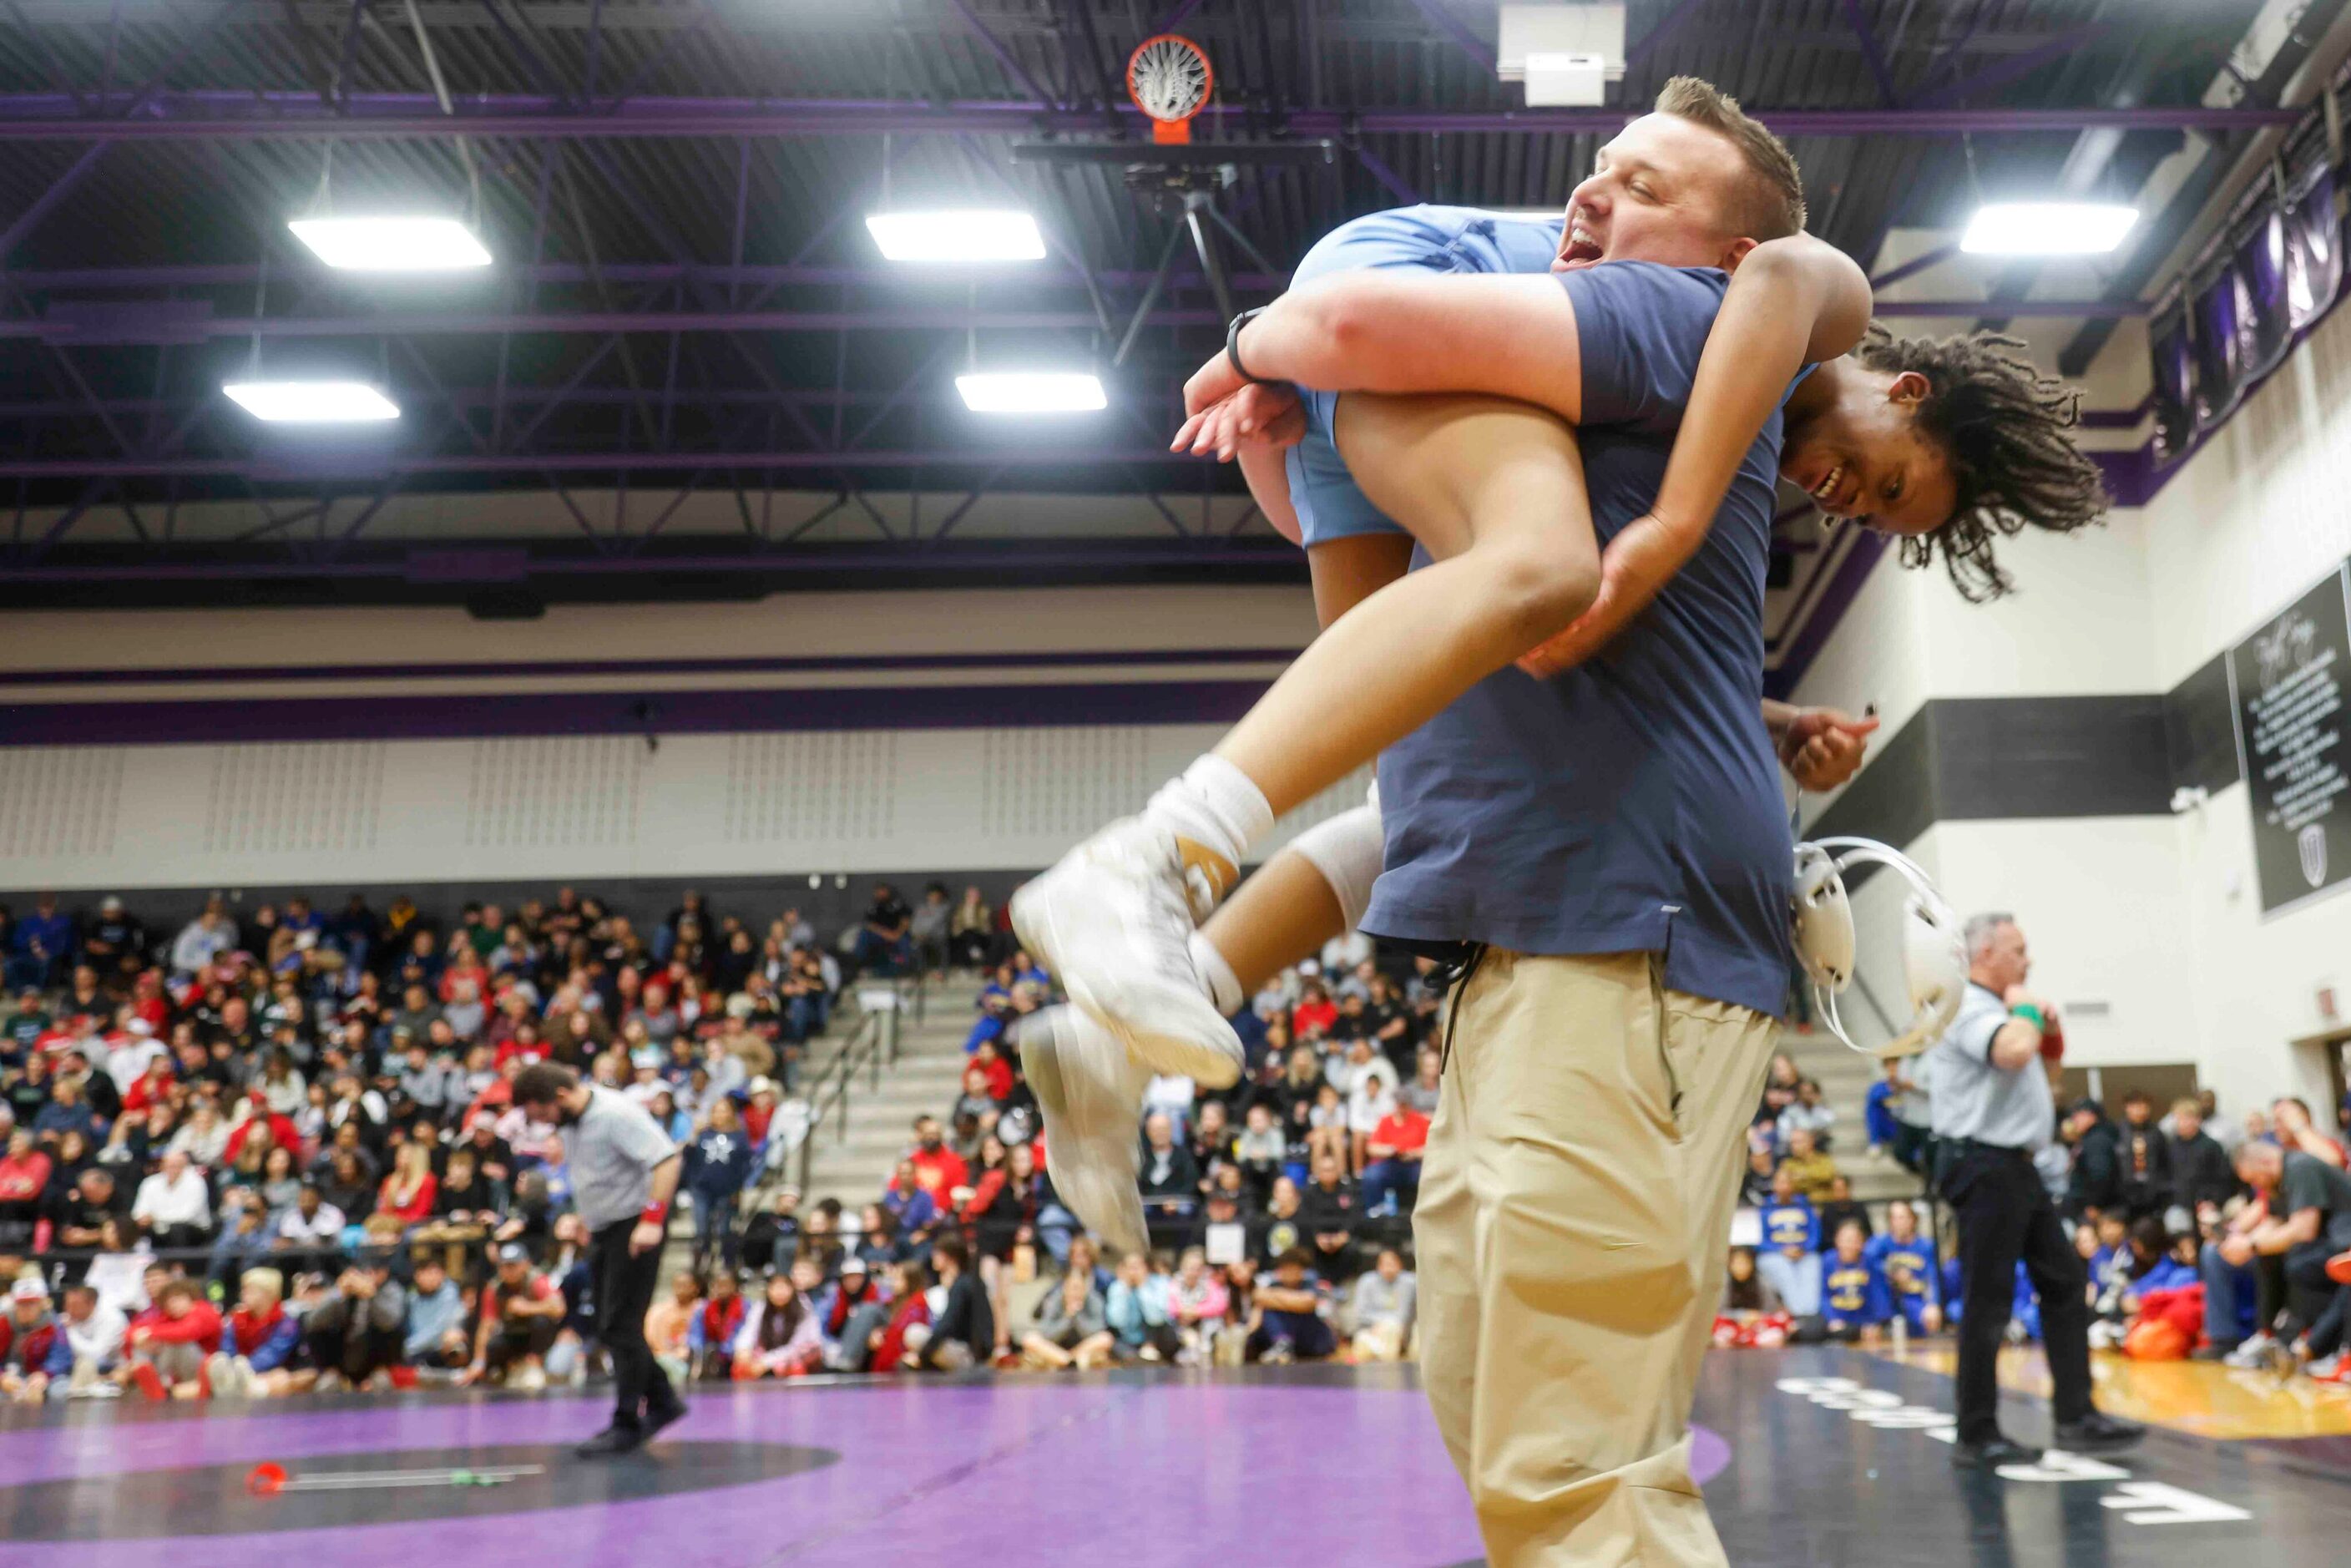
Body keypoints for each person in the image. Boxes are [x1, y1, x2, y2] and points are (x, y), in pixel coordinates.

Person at [1924, 913, 2140, 1466]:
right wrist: (2023, 1004)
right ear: (1985, 955)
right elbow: (2012, 1052)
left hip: (2015, 1166)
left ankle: (2076, 1416)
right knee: (1989, 1297)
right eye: (2018, 951)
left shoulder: (1998, 1011)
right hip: (1982, 1162)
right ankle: (1976, 1433)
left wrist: (2048, 1032)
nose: (2028, 959)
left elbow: (2046, 1076)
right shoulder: (1965, 1004)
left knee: (2066, 1280)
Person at [512, 1061, 686, 1455]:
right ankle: (663, 1402)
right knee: (609, 1326)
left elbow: (666, 1160)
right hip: (606, 1229)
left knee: (620, 1326)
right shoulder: (572, 1120)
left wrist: (653, 1220)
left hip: (635, 1226)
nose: (545, 1124)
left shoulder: (615, 1114)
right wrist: (587, 1218)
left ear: (560, 1097)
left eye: (543, 1115)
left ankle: (627, 1423)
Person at [2202, 1140, 2351, 1370]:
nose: (2255, 1185)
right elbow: (2273, 1222)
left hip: (2342, 1244)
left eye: (2253, 1179)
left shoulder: (2300, 1167)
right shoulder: (2277, 1181)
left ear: (2265, 1162)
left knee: (2298, 1265)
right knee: (2269, 1256)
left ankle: (2311, 1345)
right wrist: (2242, 1243)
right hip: (2327, 1244)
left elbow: (2304, 1229)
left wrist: (2251, 1245)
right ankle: (2268, 1335)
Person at [1864, 1201, 1943, 1337]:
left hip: (1915, 1298)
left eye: (1903, 1217)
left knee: (1926, 1320)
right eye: (1894, 1218)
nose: (1899, 1222)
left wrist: (1933, 1305)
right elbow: (1866, 1258)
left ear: (1913, 1219)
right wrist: (1893, 1270)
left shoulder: (1926, 1245)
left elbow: (1932, 1277)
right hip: (1890, 1299)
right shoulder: (1881, 1242)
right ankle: (1882, 1321)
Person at [731, 1268, 823, 1380]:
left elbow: (797, 1346)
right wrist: (743, 1350)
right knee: (741, 1367)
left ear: (792, 1289)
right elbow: (749, 1331)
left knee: (795, 1368)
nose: (779, 1292)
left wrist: (765, 1362)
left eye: (784, 1287)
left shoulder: (804, 1307)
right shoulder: (761, 1306)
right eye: (775, 1287)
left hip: (800, 1354)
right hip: (770, 1353)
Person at [1819, 1220, 1891, 1345]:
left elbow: (1879, 1294)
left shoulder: (1870, 1262)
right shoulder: (1828, 1261)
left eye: (1854, 1240)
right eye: (1845, 1240)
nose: (1849, 1245)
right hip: (1839, 1323)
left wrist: (1876, 1323)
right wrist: (1832, 1319)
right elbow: (1824, 1295)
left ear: (1862, 1243)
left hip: (1865, 1322)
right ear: (1837, 1241)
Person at [1105, 1249, 1181, 1363]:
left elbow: (1156, 1319)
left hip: (1156, 1338)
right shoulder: (1117, 1288)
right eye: (1130, 1267)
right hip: (1127, 1340)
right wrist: (1124, 1291)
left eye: (1137, 1267)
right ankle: (1136, 1358)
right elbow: (1116, 1322)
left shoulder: (1160, 1283)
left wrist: (1142, 1287)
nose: (1133, 1272)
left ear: (1146, 1268)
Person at [1351, 1246, 1418, 1362]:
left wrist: (1389, 1324)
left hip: (1402, 1329)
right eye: (1385, 1264)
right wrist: (1378, 1323)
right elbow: (1361, 1312)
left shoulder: (1410, 1282)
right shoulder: (1366, 1281)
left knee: (1392, 1329)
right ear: (1378, 1266)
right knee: (1367, 1340)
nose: (1388, 1268)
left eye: (1392, 1264)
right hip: (1372, 1328)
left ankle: (1391, 1367)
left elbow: (1405, 1313)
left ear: (1400, 1265)